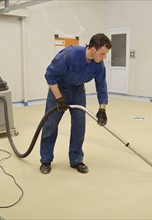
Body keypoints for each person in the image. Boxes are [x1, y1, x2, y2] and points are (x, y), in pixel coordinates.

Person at [40, 33, 112, 174]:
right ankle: (46, 160)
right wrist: (59, 99)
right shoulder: (69, 55)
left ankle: (76, 159)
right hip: (59, 90)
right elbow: (50, 75)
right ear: (93, 49)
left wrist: (102, 108)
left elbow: (101, 85)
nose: (104, 57)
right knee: (50, 125)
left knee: (79, 126)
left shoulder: (98, 65)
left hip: (78, 91)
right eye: (103, 53)